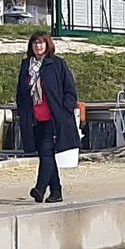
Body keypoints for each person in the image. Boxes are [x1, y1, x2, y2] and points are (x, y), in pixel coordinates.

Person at [17, 32, 79, 203]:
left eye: (41, 43)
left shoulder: (57, 64)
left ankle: (40, 188)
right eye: (35, 43)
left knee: (46, 152)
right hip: (34, 118)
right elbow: (21, 93)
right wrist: (23, 112)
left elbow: (70, 91)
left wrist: (64, 110)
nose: (38, 46)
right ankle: (56, 191)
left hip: (53, 118)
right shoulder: (26, 66)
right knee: (47, 154)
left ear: (47, 45)